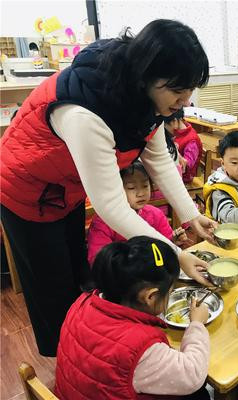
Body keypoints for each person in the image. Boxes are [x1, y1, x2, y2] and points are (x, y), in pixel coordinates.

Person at [0, 19, 215, 356]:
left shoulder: (144, 97)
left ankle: (84, 347)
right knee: (52, 289)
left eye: (190, 88)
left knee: (79, 276)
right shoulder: (86, 112)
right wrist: (177, 254)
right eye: (177, 90)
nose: (185, 100)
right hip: (24, 190)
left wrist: (190, 216)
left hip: (63, 189)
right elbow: (112, 207)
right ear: (147, 75)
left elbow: (159, 160)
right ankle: (68, 365)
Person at [55, 237, 211, 399]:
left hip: (71, 393)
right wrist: (197, 324)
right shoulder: (140, 348)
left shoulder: (82, 302)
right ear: (150, 296)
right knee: (199, 394)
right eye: (169, 292)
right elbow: (193, 374)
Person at [87, 161, 188, 265]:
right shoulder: (104, 221)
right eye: (131, 187)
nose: (141, 193)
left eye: (145, 186)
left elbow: (163, 243)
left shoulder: (155, 214)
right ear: (115, 190)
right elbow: (98, 260)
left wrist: (173, 242)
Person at [163, 108, 203, 183]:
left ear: (174, 121)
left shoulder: (192, 140)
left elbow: (187, 165)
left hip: (183, 179)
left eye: (165, 125)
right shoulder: (176, 133)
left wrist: (175, 153)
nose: (164, 128)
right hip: (173, 174)